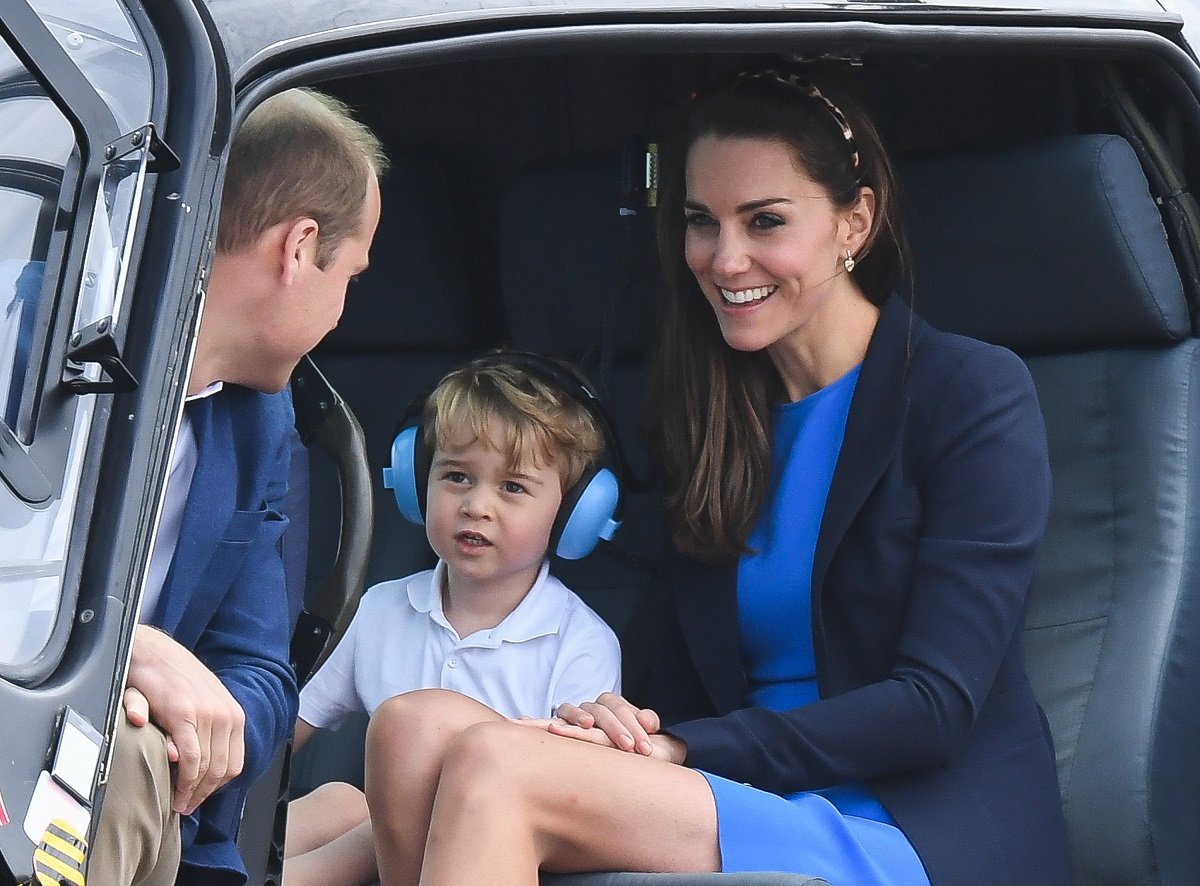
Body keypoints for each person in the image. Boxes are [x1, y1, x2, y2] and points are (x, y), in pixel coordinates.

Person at [360, 67, 1074, 886]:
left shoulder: (970, 392)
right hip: (730, 792)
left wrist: (684, 746)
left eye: (765, 220)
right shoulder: (712, 416)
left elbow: (935, 706)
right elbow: (677, 672)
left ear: (856, 222)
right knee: (412, 729)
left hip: (908, 822)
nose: (725, 260)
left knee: (494, 767)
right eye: (702, 222)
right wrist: (623, 723)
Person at [89, 87, 386, 886]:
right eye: (350, 275)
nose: (340, 313)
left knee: (126, 757)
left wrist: (188, 719)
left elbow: (259, 673)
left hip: (161, 794)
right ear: (299, 249)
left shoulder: (259, 423)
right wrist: (117, 653)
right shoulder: (37, 344)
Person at [282, 352, 623, 886]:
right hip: (395, 851)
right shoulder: (379, 610)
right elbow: (284, 735)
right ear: (417, 483)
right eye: (457, 476)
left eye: (513, 487)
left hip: (498, 856)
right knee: (337, 801)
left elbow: (574, 803)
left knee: (369, 824)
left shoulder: (580, 642)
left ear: (576, 513)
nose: (476, 506)